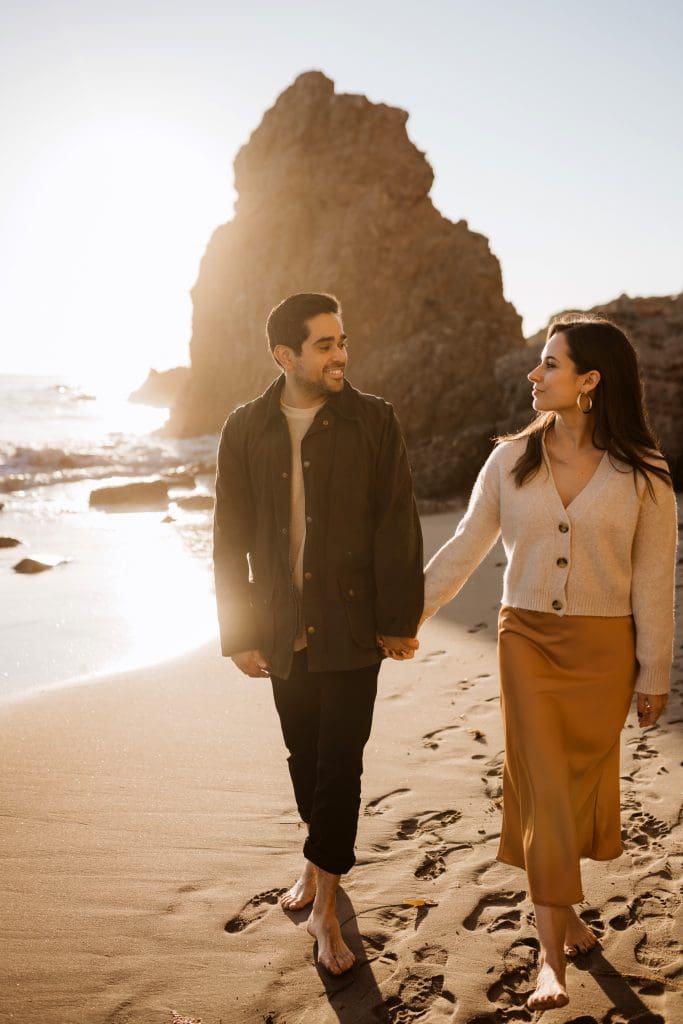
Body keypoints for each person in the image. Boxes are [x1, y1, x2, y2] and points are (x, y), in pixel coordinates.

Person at [421, 314, 677, 1011]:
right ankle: (550, 961)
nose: (534, 375)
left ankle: (565, 916)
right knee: (545, 793)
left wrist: (653, 671)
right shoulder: (509, 460)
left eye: (549, 364)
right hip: (525, 643)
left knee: (572, 789)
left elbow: (655, 580)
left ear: (589, 381)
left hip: (602, 654)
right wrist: (407, 615)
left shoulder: (644, 474)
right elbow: (465, 547)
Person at [213, 292, 424, 975]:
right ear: (286, 356)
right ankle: (316, 858)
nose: (341, 354)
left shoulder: (373, 419)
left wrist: (396, 621)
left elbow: (397, 521)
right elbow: (230, 536)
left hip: (351, 621)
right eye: (326, 344)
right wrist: (237, 630)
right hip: (279, 626)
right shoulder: (245, 426)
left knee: (340, 762)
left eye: (342, 340)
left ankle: (326, 911)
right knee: (303, 756)